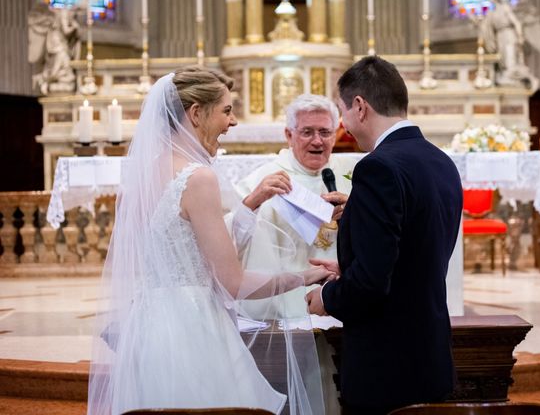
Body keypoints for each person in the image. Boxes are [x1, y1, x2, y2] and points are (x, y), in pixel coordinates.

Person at [87, 66, 331, 415]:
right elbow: (233, 283)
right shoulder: (198, 179)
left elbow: (186, 249)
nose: (232, 122)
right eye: (227, 110)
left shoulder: (137, 181)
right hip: (195, 330)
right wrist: (307, 276)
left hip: (148, 326)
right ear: (197, 113)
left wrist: (250, 204)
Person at [306, 56, 463, 414]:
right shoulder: (440, 160)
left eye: (342, 112)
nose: (344, 125)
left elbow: (372, 285)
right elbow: (415, 252)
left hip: (387, 366)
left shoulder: (378, 167)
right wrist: (354, 241)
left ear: (360, 107)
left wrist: (326, 296)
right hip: (430, 353)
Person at [235, 94, 357, 414]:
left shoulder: (348, 173)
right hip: (283, 311)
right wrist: (256, 201)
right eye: (307, 132)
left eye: (325, 132)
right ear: (289, 135)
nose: (317, 141)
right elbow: (234, 236)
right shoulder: (264, 178)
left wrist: (355, 213)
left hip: (340, 302)